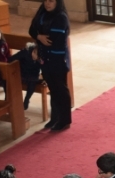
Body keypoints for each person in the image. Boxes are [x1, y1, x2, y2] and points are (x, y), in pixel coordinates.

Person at [29, 0, 71, 131]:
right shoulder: (42, 13)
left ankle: (64, 120)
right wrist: (38, 36)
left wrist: (39, 37)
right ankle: (55, 118)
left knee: (61, 90)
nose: (48, 3)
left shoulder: (61, 17)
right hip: (45, 58)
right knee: (53, 89)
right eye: (46, 0)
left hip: (57, 59)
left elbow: (50, 40)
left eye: (51, 1)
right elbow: (31, 30)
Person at [9, 42, 42, 111]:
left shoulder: (40, 59)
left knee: (33, 82)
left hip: (33, 76)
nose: (38, 59)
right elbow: (11, 59)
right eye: (38, 57)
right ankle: (13, 103)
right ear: (34, 52)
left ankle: (27, 99)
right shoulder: (25, 52)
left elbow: (44, 69)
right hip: (22, 74)